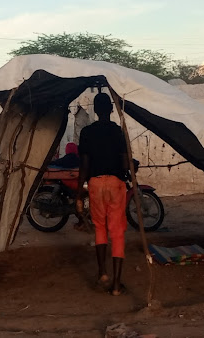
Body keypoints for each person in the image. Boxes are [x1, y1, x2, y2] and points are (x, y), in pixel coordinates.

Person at [77, 93, 129, 296]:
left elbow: (85, 164)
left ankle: (102, 274)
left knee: (100, 227)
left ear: (96, 111)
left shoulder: (87, 132)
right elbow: (125, 163)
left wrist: (79, 191)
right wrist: (129, 167)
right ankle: (116, 284)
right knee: (117, 232)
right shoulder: (118, 132)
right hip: (116, 183)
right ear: (111, 109)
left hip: (96, 183)